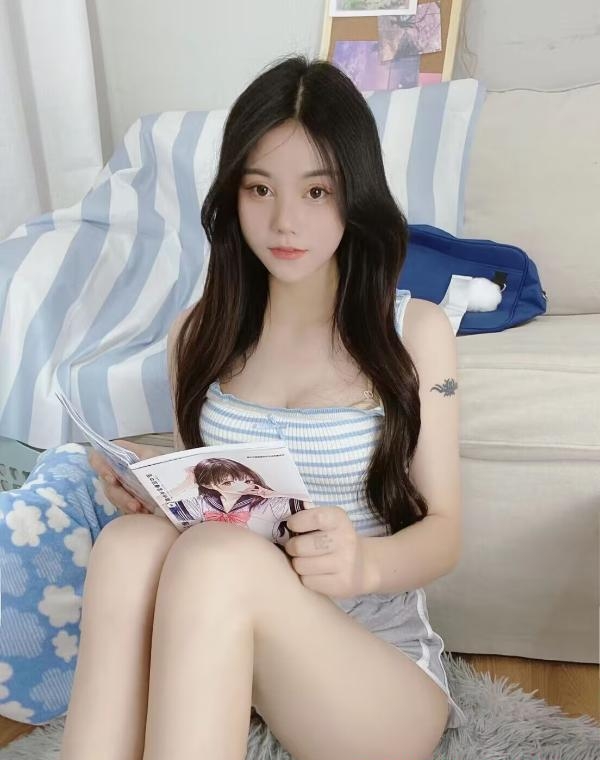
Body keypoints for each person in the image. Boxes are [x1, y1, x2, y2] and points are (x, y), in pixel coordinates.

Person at [60, 54, 466, 760]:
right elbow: (211, 516)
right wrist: (156, 486)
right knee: (128, 545)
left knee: (216, 559)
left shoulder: (414, 332)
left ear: (355, 194)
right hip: (242, 648)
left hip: (376, 674)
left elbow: (446, 532)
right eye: (259, 188)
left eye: (317, 191)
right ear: (234, 195)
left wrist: (364, 566)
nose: (285, 221)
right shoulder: (199, 333)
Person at [166, 457, 305, 543]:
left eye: (246, 481)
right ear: (209, 485)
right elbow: (164, 508)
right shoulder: (203, 503)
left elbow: (310, 505)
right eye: (228, 483)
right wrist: (186, 484)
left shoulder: (266, 503)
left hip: (261, 558)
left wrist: (275, 494)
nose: (242, 485)